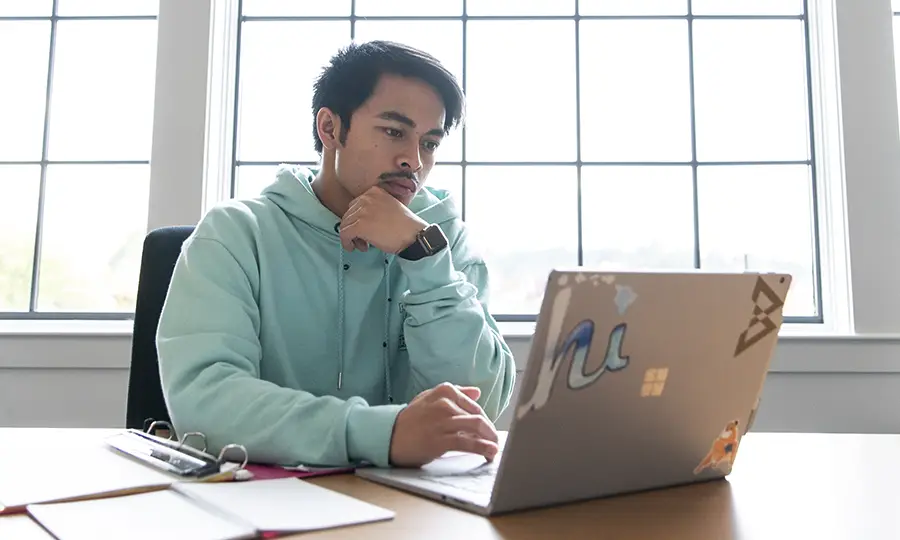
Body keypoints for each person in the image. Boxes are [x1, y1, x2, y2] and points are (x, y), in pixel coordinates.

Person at [155, 40, 517, 469]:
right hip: (265, 502)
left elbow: (480, 407)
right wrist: (382, 433)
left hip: (411, 509)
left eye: (430, 143)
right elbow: (206, 401)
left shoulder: (445, 242)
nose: (413, 161)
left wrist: (423, 259)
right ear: (330, 128)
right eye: (394, 131)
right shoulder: (235, 234)